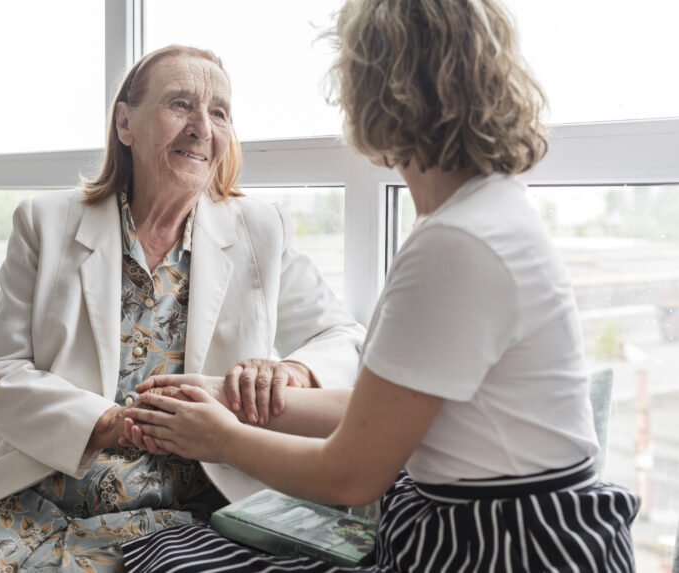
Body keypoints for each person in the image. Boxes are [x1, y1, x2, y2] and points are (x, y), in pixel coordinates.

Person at [120, 1, 640, 571]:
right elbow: (381, 408)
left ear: (377, 92)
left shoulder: (456, 245)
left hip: (507, 546)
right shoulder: (479, 218)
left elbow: (351, 474)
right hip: (502, 528)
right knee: (170, 550)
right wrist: (229, 397)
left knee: (168, 555)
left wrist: (219, 439)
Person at [0, 44, 365, 572]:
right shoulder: (44, 222)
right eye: (181, 104)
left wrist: (291, 369)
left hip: (195, 507)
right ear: (125, 123)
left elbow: (342, 336)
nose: (202, 127)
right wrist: (104, 422)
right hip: (38, 489)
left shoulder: (260, 231)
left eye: (219, 112)